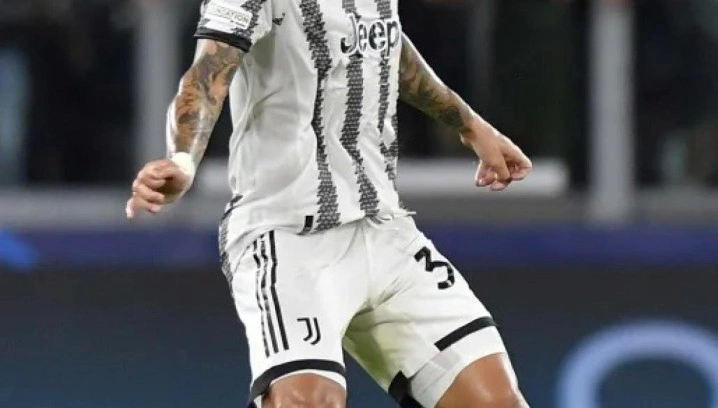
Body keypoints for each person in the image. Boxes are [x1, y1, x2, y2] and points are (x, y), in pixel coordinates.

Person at [126, 0, 532, 406]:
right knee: (310, 402)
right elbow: (206, 75)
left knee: (498, 402)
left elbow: (383, 42)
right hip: (287, 235)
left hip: (384, 228)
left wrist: (469, 124)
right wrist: (183, 159)